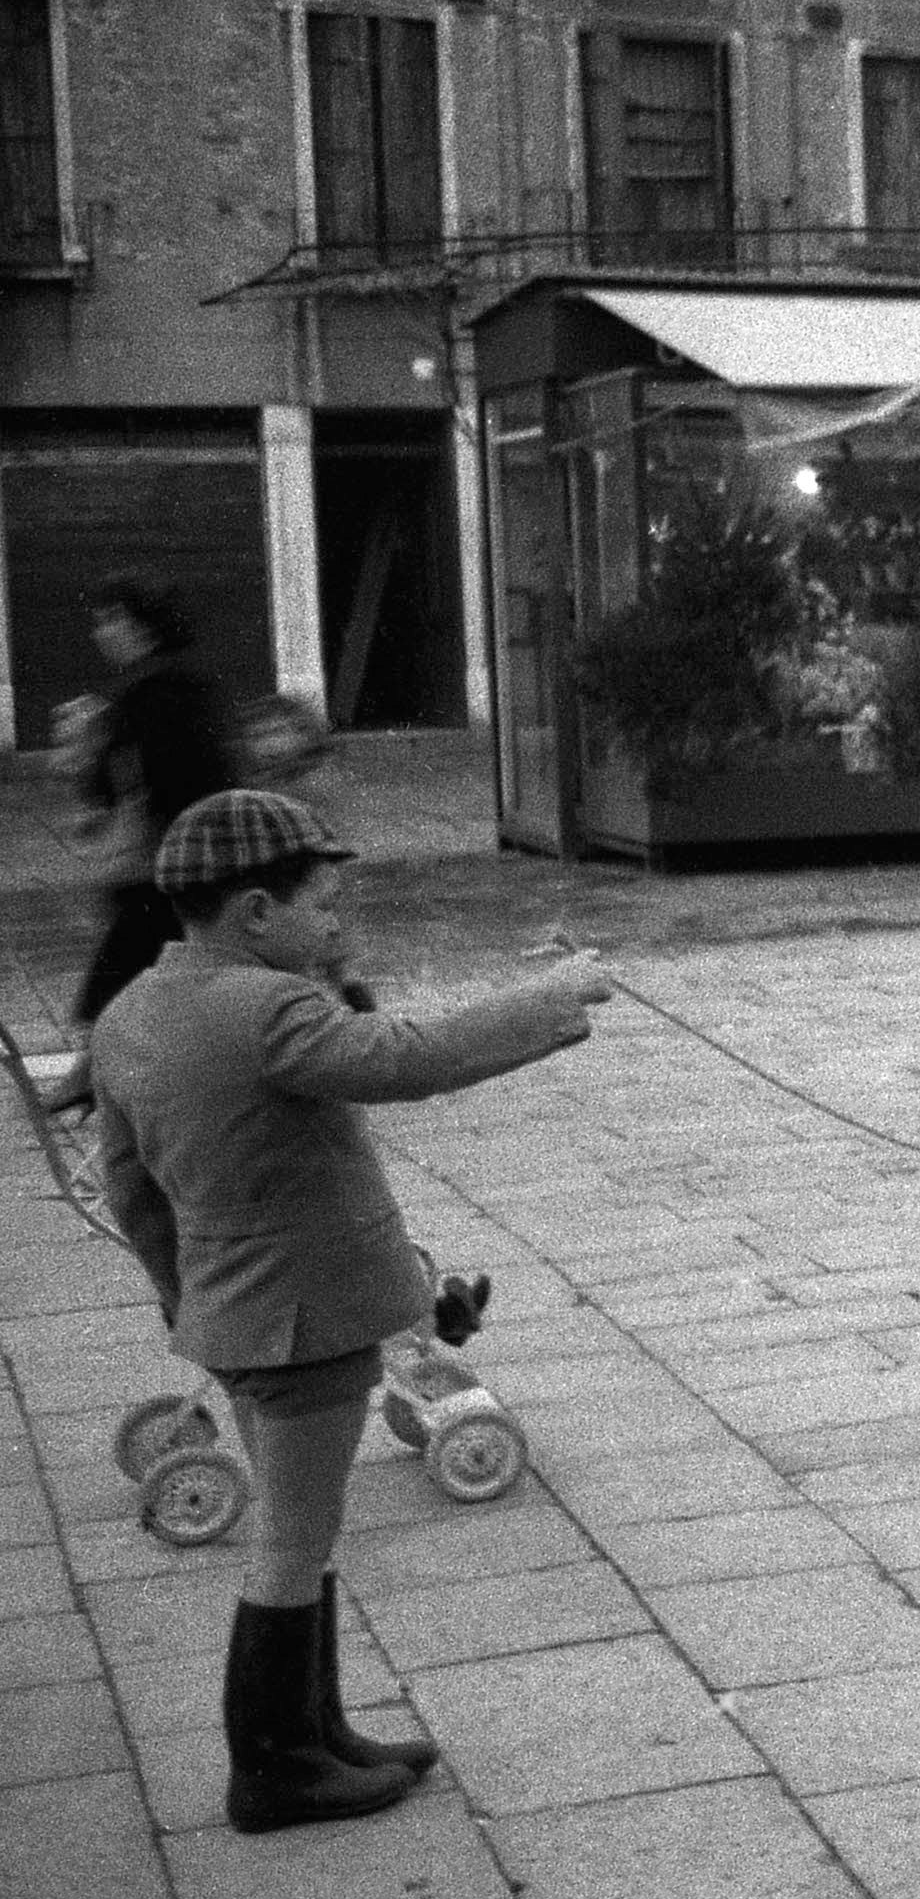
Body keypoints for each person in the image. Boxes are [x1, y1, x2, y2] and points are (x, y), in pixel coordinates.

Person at [88, 791, 609, 1833]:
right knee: (290, 1536)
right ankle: (276, 1767)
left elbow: (129, 1187)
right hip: (305, 1316)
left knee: (307, 1531)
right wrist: (553, 996)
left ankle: (319, 1735)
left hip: (234, 1312)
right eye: (322, 903)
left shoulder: (133, 1012)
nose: (339, 922)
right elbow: (407, 1057)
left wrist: (184, 1301)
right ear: (252, 909)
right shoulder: (267, 1009)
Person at [56, 576, 239, 1047]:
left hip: (165, 867)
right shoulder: (154, 691)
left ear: (144, 627)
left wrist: (88, 752)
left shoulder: (154, 695)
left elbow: (138, 787)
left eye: (112, 619)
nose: (101, 632)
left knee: (115, 994)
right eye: (99, 621)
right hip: (172, 865)